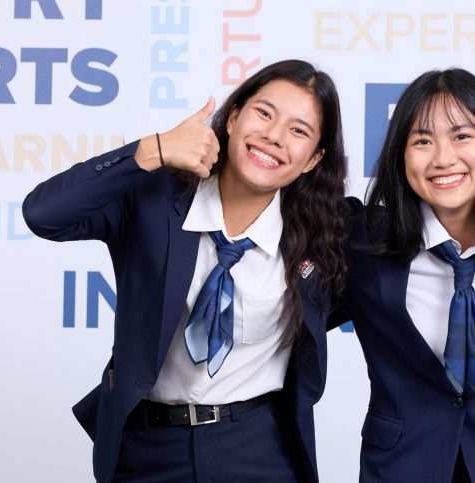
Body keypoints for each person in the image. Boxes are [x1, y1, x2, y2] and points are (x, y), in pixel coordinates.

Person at [23, 59, 348, 483]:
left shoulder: (327, 235)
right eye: (264, 113)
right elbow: (44, 214)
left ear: (313, 159)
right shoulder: (154, 200)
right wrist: (150, 150)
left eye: (299, 130)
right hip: (148, 448)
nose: (274, 136)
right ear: (233, 117)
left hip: (259, 447)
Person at [333, 68, 475, 483]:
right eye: (422, 140)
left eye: (462, 136)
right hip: (401, 468)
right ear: (400, 155)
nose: (443, 158)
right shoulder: (363, 242)